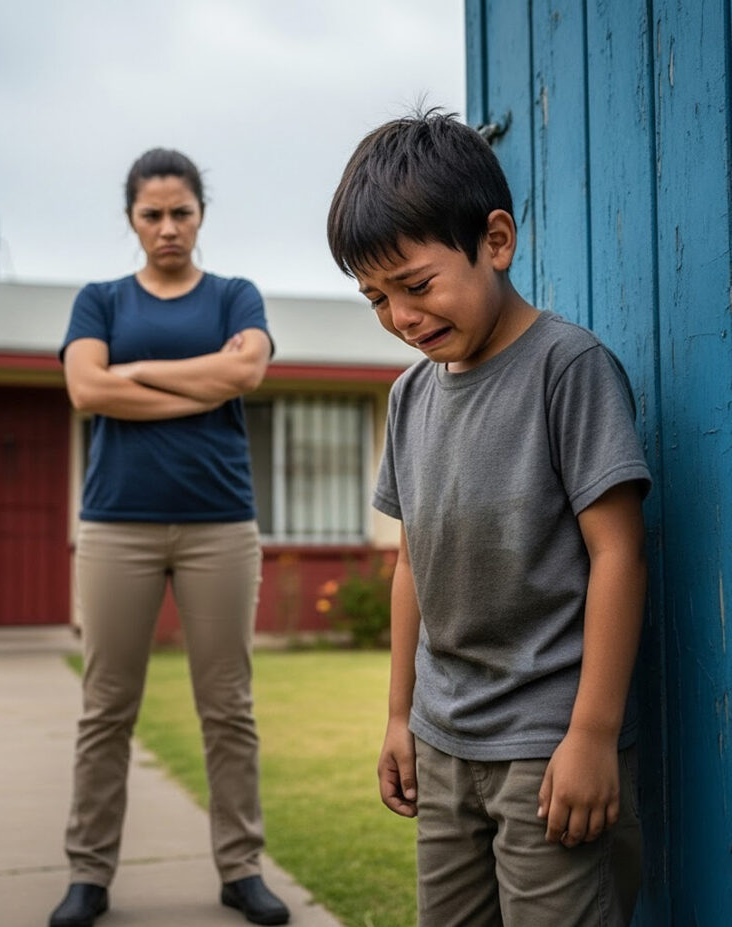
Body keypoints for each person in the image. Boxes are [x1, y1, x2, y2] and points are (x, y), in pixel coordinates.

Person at [327, 110, 650, 926]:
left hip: (547, 744)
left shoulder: (568, 369)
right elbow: (412, 563)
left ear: (495, 241)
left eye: (416, 285)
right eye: (376, 298)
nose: (401, 317)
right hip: (441, 741)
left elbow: (619, 554)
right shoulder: (408, 397)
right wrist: (398, 716)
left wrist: (593, 734)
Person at [49, 148, 289, 927]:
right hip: (116, 525)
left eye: (181, 212)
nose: (167, 227)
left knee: (228, 708)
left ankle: (240, 868)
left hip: (220, 524)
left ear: (200, 215)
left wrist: (134, 373)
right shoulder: (100, 300)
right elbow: (85, 387)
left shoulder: (234, 295)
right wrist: (196, 379)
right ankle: (88, 874)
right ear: (131, 218)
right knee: (105, 708)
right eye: (151, 214)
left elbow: (245, 375)